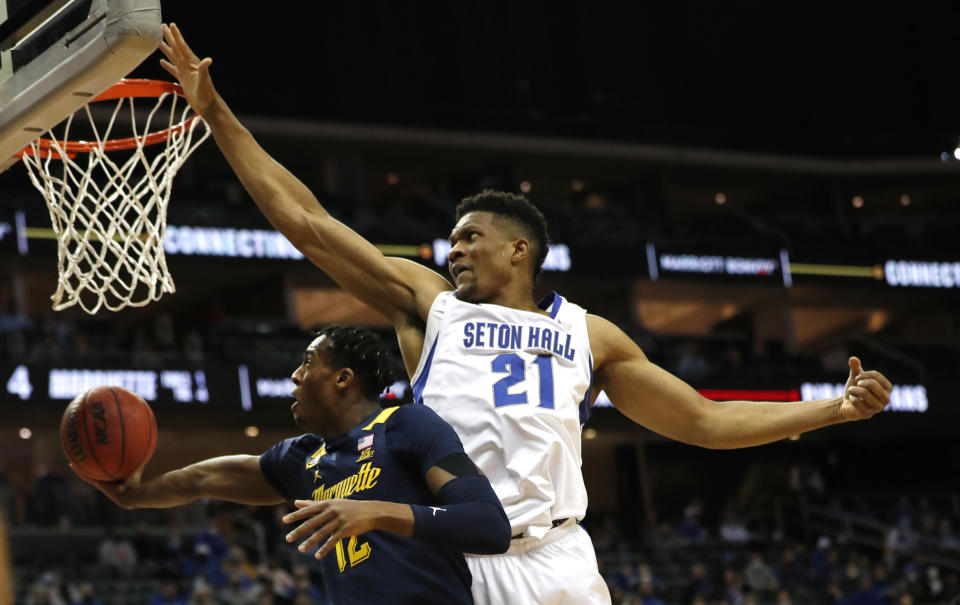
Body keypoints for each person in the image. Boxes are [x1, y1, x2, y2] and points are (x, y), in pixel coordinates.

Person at [158, 22, 895, 605]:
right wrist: (216, 113)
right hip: (461, 554)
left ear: (521, 250)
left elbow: (702, 421)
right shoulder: (430, 307)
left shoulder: (590, 333)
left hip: (557, 556)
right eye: (450, 241)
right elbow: (309, 225)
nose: (454, 252)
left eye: (469, 238)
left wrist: (830, 409)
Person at [78, 326, 510, 604]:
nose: (295, 376)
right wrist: (134, 495)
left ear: (343, 378)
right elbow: (204, 478)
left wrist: (376, 512)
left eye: (307, 362)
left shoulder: (406, 424)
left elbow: (489, 526)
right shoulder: (302, 458)